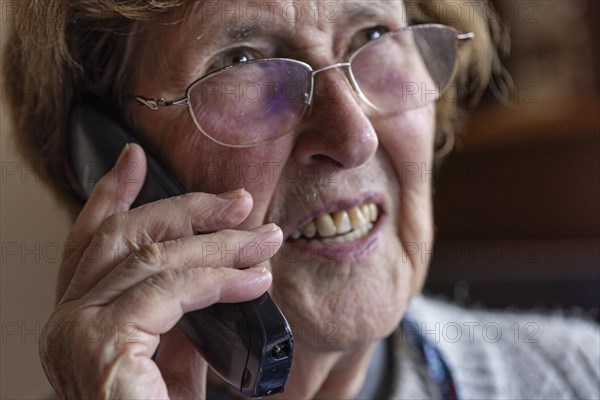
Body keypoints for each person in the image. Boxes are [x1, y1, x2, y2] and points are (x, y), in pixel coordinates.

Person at [3, 0, 598, 398]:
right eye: (243, 61)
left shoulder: (577, 376)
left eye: (373, 34)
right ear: (106, 155)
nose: (353, 137)